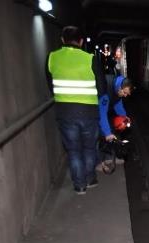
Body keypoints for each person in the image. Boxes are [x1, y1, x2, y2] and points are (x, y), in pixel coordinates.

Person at [46, 26, 115, 194]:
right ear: (82, 41)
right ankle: (90, 179)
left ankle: (79, 186)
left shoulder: (51, 57)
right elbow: (101, 87)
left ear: (62, 39)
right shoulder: (90, 59)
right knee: (89, 148)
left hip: (65, 112)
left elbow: (51, 85)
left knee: (73, 150)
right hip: (89, 113)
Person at [96, 75, 133, 171]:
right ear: (119, 88)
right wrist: (107, 133)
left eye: (127, 94)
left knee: (111, 130)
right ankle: (99, 162)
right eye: (124, 93)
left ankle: (108, 157)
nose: (125, 95)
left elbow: (118, 104)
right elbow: (102, 115)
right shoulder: (106, 91)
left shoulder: (117, 89)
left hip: (102, 110)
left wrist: (125, 117)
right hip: (92, 111)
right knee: (101, 133)